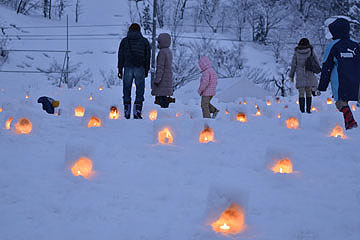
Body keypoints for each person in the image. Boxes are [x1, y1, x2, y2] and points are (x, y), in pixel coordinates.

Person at [318, 18, 360, 130]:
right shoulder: (356, 46)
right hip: (355, 80)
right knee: (346, 102)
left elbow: (326, 67)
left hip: (340, 81)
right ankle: (349, 123)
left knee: (340, 103)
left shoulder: (333, 46)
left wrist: (322, 86)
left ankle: (351, 123)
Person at [118, 23, 151, 119]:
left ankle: (127, 112)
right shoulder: (144, 41)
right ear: (139, 30)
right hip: (140, 67)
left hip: (127, 67)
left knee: (126, 90)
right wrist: (146, 69)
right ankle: (137, 112)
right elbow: (147, 56)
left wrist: (120, 69)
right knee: (140, 90)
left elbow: (120, 56)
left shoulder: (124, 41)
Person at [289, 38, 320, 113]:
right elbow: (316, 61)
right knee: (309, 92)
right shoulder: (311, 51)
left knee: (301, 93)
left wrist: (291, 75)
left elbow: (293, 64)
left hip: (300, 74)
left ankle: (302, 110)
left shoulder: (296, 52)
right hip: (309, 73)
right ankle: (308, 110)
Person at [151, 33, 174, 108]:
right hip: (167, 79)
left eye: (159, 42)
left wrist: (157, 80)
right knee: (165, 101)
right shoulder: (169, 51)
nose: (158, 43)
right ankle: (166, 117)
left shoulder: (162, 52)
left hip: (162, 81)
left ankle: (162, 117)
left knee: (161, 101)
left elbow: (160, 67)